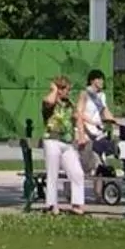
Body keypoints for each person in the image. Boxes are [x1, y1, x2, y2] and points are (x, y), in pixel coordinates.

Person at [40, 74, 87, 215]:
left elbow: (77, 117)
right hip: (52, 140)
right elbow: (49, 101)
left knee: (77, 173)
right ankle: (51, 205)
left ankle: (77, 204)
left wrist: (81, 135)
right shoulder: (49, 102)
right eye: (66, 89)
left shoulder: (70, 104)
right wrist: (53, 90)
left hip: (67, 142)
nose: (68, 92)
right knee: (52, 173)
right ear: (59, 89)